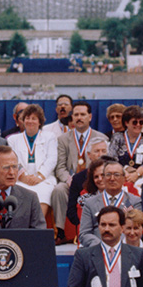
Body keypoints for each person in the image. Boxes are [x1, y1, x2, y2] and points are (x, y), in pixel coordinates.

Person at [53, 101, 107, 241]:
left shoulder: (101, 138)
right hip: (70, 180)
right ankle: (60, 231)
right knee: (59, 189)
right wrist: (67, 179)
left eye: (83, 114)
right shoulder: (63, 139)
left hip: (94, 179)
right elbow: (60, 166)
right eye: (76, 114)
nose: (79, 117)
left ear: (90, 116)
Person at [6, 104, 57, 217]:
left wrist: (39, 177)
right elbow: (12, 161)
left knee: (43, 193)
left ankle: (38, 229)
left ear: (40, 122)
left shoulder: (50, 137)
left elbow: (52, 159)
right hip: (21, 180)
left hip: (44, 179)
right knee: (19, 194)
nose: (30, 121)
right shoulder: (12, 139)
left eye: (34, 118)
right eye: (27, 118)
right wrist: (23, 177)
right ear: (23, 121)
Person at [78, 160, 142, 247]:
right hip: (98, 251)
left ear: (124, 179)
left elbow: (136, 231)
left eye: (116, 175)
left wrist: (119, 247)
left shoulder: (134, 201)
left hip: (126, 251)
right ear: (103, 178)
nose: (112, 178)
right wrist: (102, 246)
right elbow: (84, 233)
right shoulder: (90, 203)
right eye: (108, 175)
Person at [66, 137, 109, 227]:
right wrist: (85, 224)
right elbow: (71, 210)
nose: (100, 154)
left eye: (103, 151)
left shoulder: (116, 175)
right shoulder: (78, 178)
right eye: (97, 151)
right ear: (89, 154)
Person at [106, 105, 143, 177]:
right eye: (135, 122)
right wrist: (125, 170)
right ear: (126, 123)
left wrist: (136, 174)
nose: (138, 125)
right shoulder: (117, 137)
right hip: (120, 174)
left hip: (142, 176)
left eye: (141, 122)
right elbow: (111, 158)